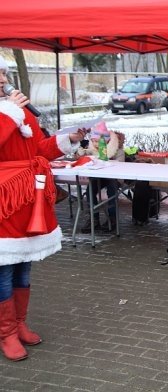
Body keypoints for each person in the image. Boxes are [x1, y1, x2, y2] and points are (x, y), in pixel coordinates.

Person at [0, 55, 86, 361]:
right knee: (4, 271)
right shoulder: (10, 111)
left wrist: (67, 140)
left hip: (27, 200)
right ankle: (6, 333)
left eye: (3, 73)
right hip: (4, 203)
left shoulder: (18, 111)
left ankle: (20, 324)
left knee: (24, 266)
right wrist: (10, 112)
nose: (2, 79)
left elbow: (39, 148)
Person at [77, 120, 124, 233]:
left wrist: (107, 161)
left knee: (112, 190)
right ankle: (93, 219)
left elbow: (121, 167)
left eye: (97, 141)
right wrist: (81, 149)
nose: (95, 144)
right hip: (97, 177)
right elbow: (79, 158)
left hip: (114, 177)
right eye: (93, 141)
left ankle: (112, 219)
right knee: (90, 192)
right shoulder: (92, 149)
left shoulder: (117, 149)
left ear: (106, 141)